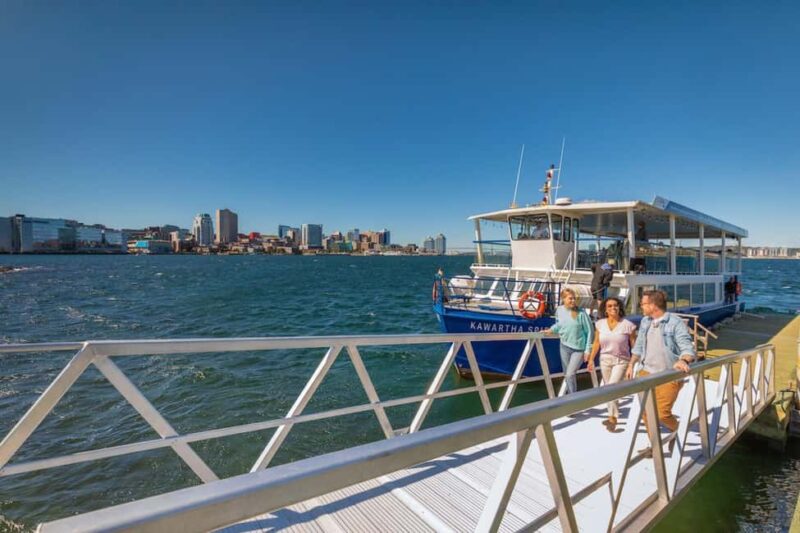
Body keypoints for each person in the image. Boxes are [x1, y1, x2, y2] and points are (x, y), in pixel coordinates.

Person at [625, 290, 695, 434]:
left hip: (668, 375)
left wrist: (683, 360)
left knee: (662, 413)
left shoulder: (675, 323)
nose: (641, 307)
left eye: (643, 304)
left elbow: (688, 348)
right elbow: (638, 346)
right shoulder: (645, 321)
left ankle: (679, 433)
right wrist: (631, 364)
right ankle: (654, 446)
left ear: (653, 305)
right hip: (645, 373)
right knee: (646, 413)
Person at [587, 297, 637, 431]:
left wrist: (633, 364)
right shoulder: (600, 324)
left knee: (611, 387)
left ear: (620, 307)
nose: (613, 308)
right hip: (604, 360)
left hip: (622, 361)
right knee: (609, 389)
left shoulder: (628, 325)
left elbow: (634, 346)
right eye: (609, 306)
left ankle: (612, 418)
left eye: (615, 305)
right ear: (605, 309)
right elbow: (597, 342)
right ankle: (612, 413)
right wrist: (591, 359)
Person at [547, 288, 594, 394]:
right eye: (570, 298)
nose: (573, 301)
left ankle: (572, 399)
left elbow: (590, 331)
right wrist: (551, 329)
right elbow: (560, 324)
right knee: (567, 375)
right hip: (564, 346)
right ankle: (571, 398)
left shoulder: (581, 313)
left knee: (570, 374)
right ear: (563, 299)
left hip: (579, 349)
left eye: (574, 298)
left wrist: (588, 350)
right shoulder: (559, 310)